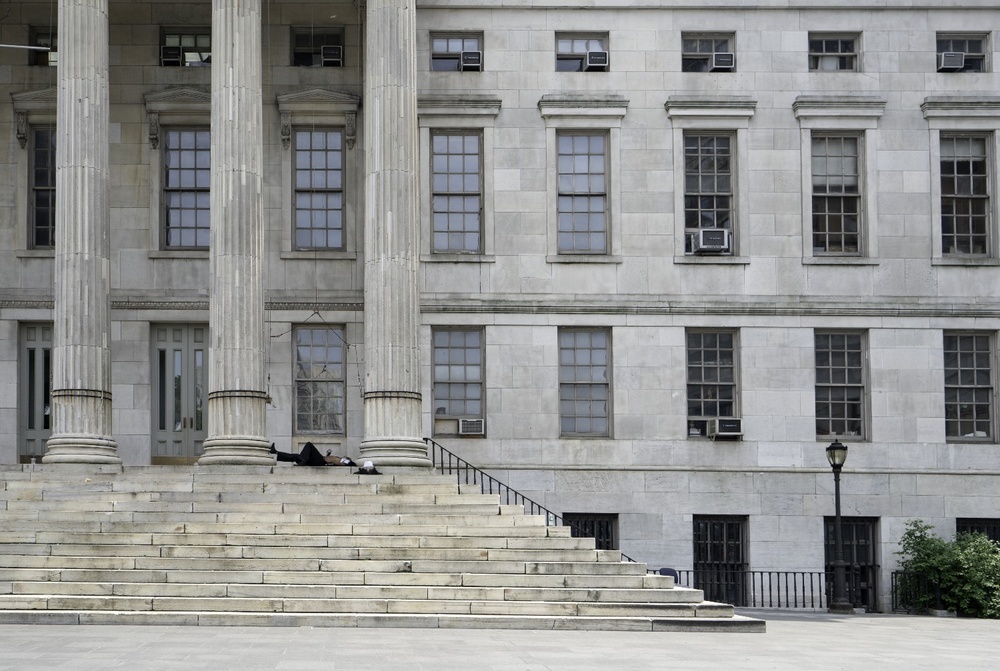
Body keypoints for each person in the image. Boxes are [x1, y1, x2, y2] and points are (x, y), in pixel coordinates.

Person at [270, 442, 356, 467]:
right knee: (296, 456)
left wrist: (345, 460)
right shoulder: (340, 458)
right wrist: (328, 455)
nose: (344, 456)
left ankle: (302, 461)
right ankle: (276, 452)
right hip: (321, 460)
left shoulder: (346, 461)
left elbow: (352, 464)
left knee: (309, 445)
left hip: (322, 462)